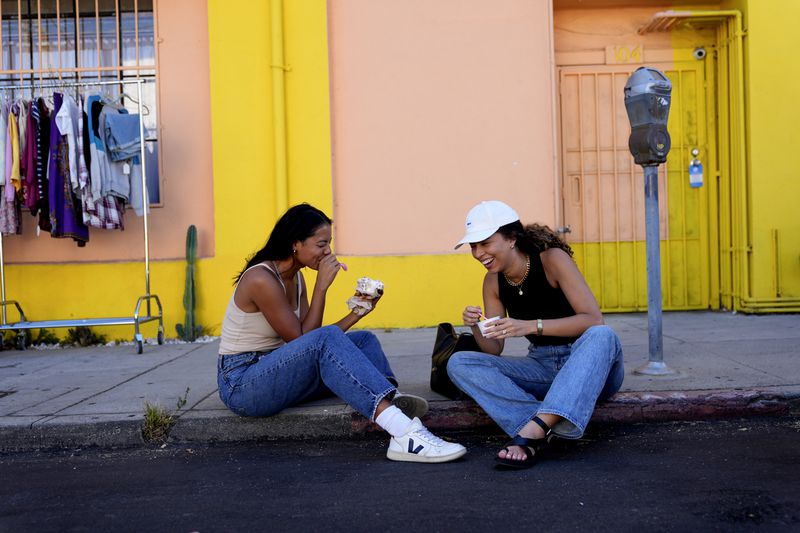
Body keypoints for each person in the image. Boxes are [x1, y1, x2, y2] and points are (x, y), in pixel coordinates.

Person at [218, 203, 466, 463]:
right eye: (321, 244)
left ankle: (391, 401)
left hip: (276, 369)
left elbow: (309, 339)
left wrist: (358, 312)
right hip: (243, 384)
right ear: (295, 243)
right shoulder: (261, 279)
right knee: (328, 341)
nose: (328, 252)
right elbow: (304, 340)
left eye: (329, 244)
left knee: (363, 340)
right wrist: (322, 287)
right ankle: (405, 433)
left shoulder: (296, 278)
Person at [447, 200, 624, 469]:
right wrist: (475, 326)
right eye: (473, 246)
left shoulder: (552, 259)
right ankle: (543, 424)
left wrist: (531, 326)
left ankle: (533, 431)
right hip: (542, 366)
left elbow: (592, 318)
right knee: (459, 363)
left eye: (485, 243)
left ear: (511, 238)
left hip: (588, 364)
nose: (478, 253)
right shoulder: (493, 281)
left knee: (603, 335)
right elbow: (494, 349)